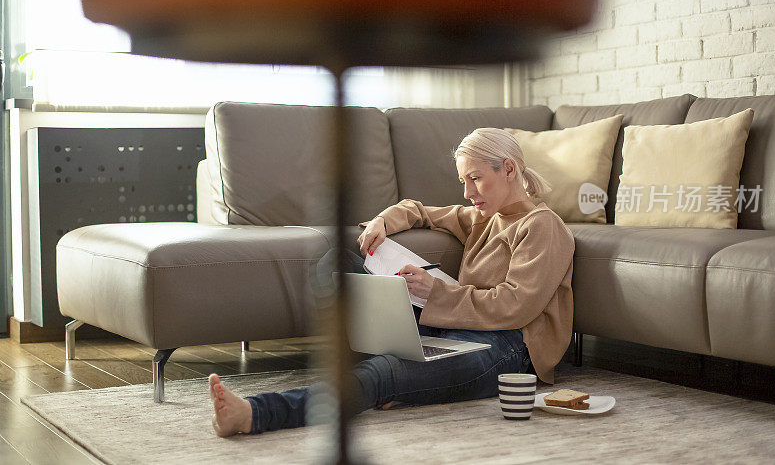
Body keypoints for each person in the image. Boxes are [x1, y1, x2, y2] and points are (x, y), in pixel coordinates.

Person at [207, 127, 576, 437]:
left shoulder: (542, 226)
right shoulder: (484, 217)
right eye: (464, 180)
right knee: (338, 263)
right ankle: (392, 375)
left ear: (509, 169)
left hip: (507, 351)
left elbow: (515, 307)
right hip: (456, 325)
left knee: (383, 374)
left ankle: (256, 413)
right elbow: (419, 210)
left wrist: (437, 292)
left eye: (475, 179)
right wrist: (384, 220)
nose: (467, 192)